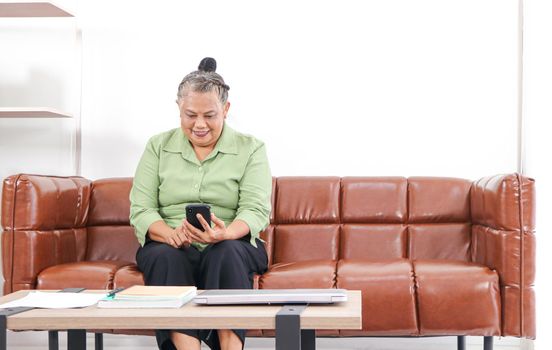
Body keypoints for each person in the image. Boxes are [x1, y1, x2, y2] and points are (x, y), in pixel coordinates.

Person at [129, 57, 272, 350]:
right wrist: (169, 235)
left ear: (226, 110)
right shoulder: (158, 146)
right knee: (164, 256)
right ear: (179, 109)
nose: (199, 125)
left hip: (234, 243)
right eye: (190, 115)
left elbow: (256, 209)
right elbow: (141, 209)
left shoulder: (251, 148)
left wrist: (227, 232)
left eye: (210, 115)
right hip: (170, 243)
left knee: (226, 251)